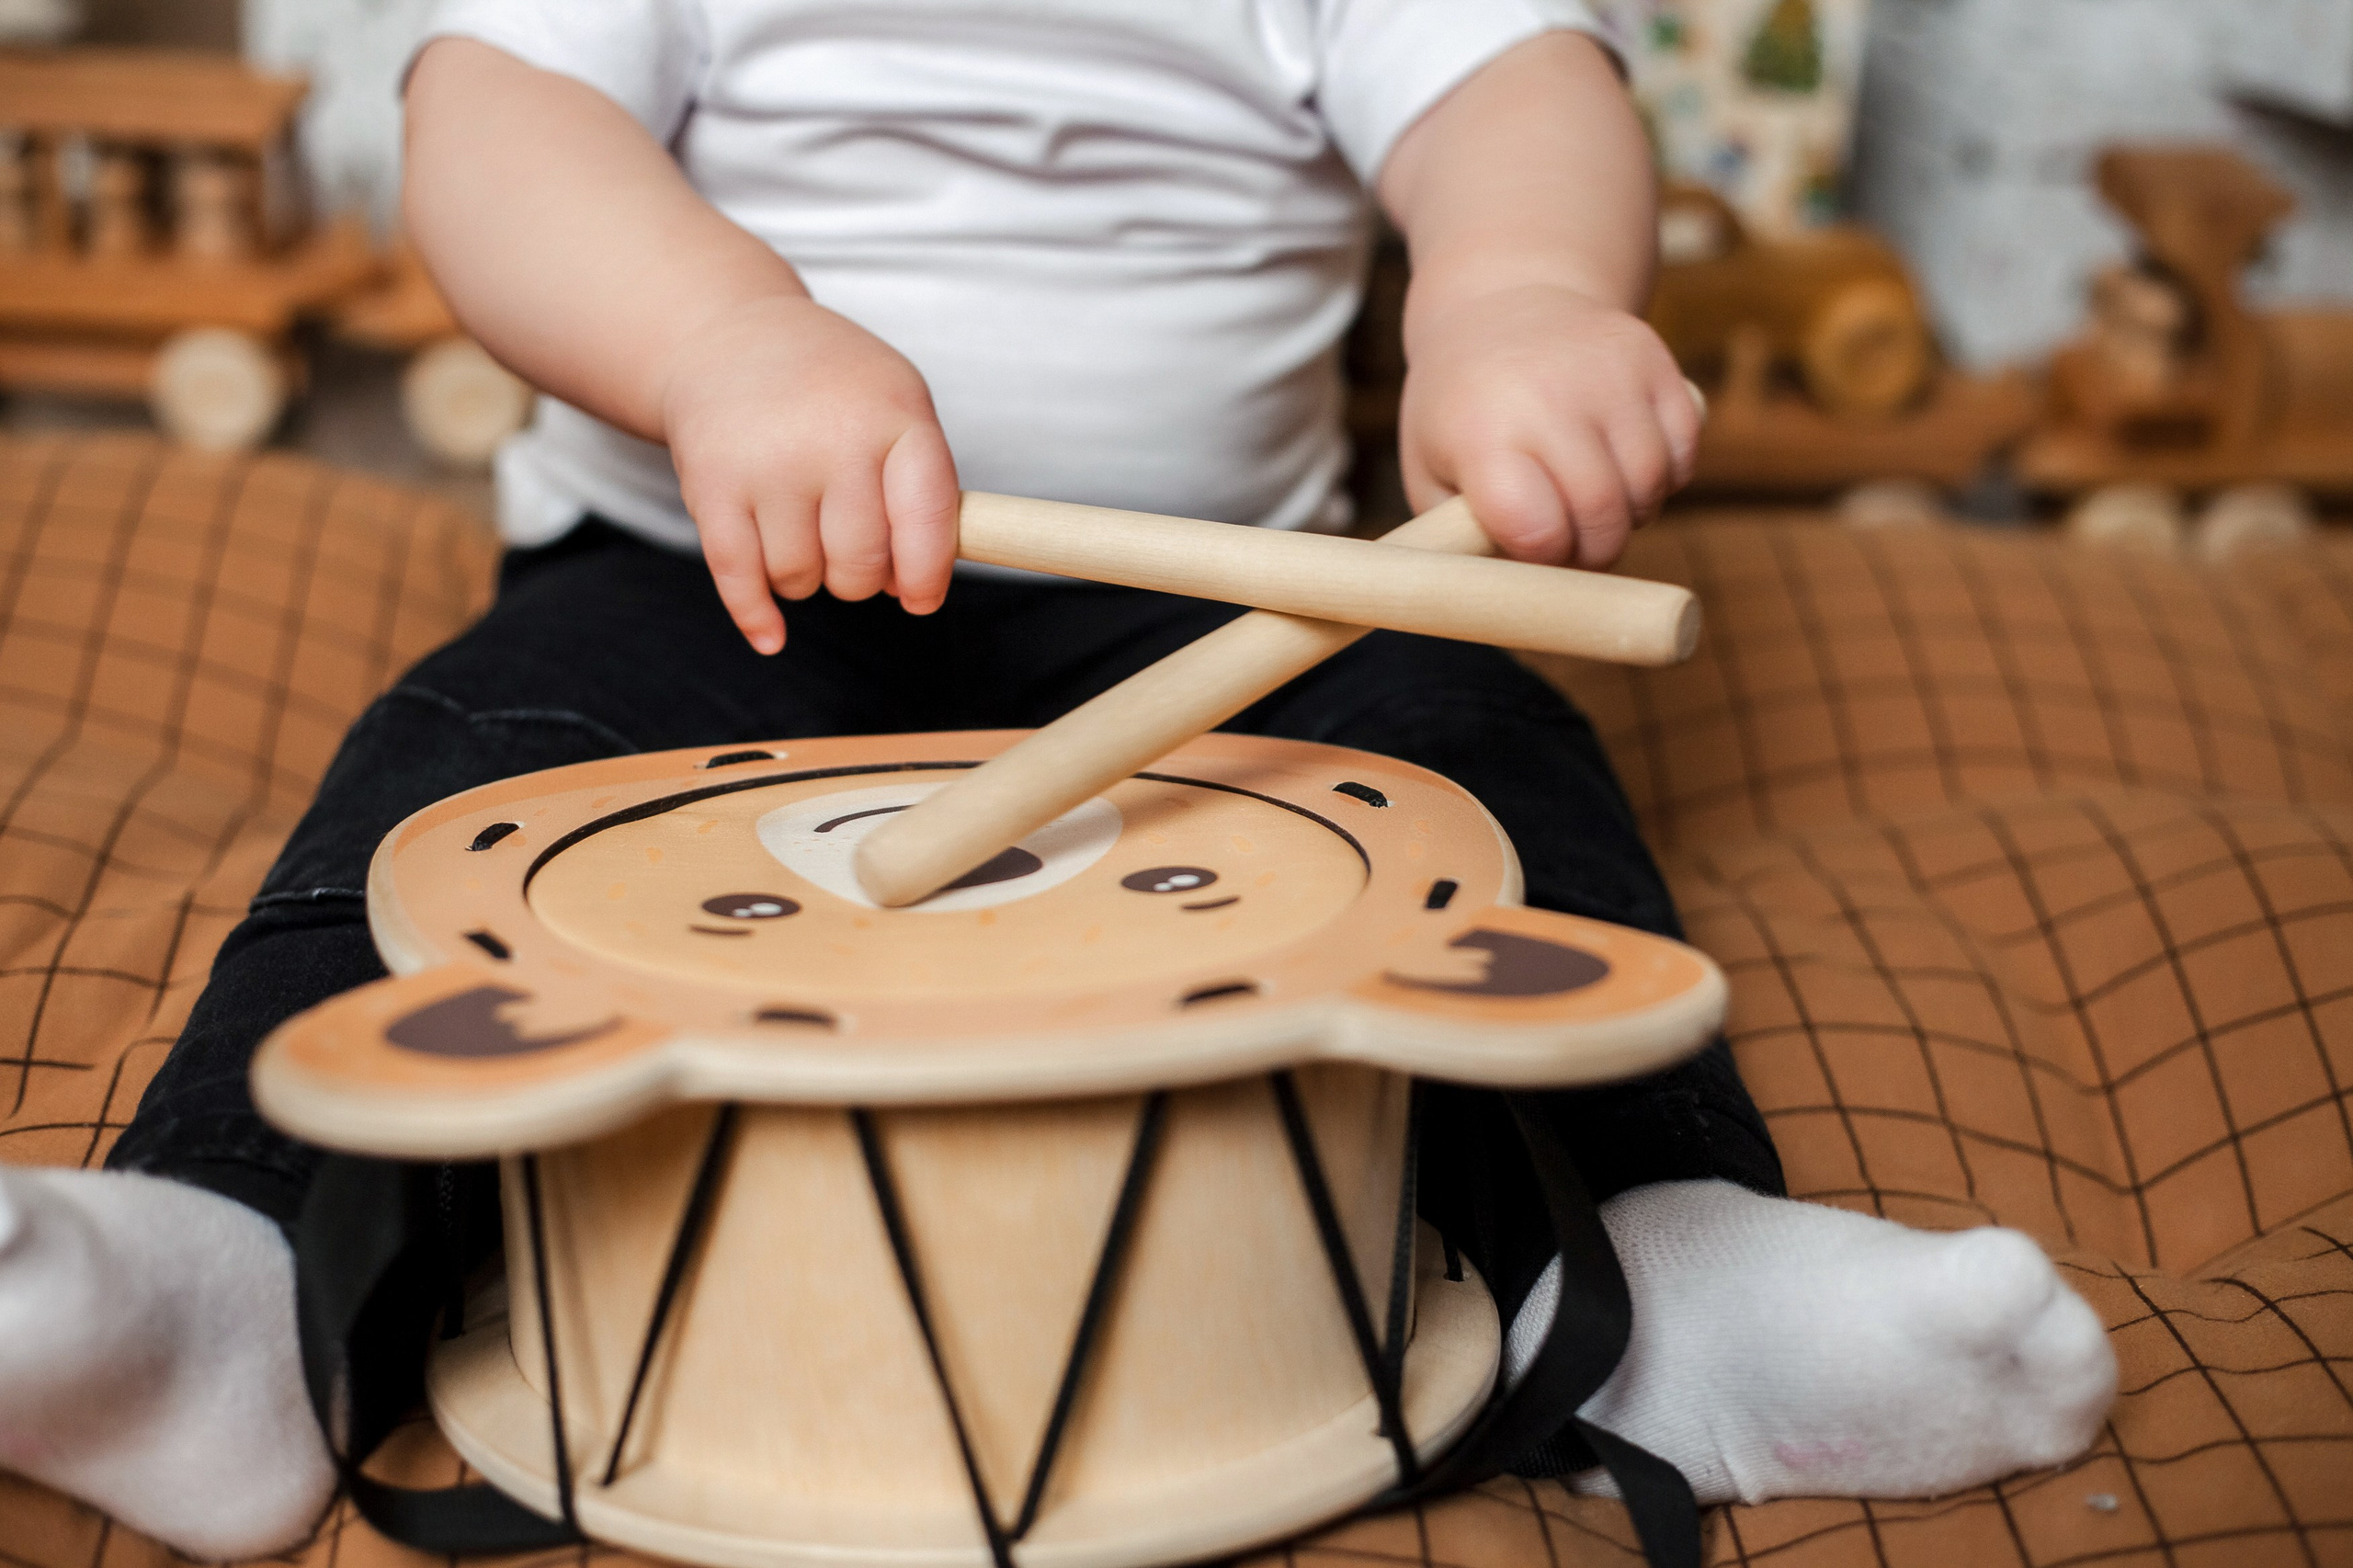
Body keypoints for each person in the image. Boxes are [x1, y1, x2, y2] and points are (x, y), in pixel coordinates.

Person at [0, 4, 2116, 1558]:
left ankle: (1657, 1269)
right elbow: (497, 123)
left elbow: (1507, 87)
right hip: (701, 578)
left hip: (1223, 611)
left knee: (1470, 761)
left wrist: (1518, 299)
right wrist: (722, 342)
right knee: (460, 783)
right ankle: (243, 1279)